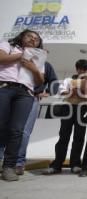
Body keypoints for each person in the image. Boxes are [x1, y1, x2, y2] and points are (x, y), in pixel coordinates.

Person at [0, 29, 44, 181]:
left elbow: (40, 81)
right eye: (29, 36)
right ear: (22, 37)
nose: (33, 40)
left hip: (25, 93)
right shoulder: (8, 45)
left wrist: (34, 69)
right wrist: (23, 55)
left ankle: (9, 167)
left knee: (17, 130)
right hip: (4, 88)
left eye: (36, 39)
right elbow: (1, 58)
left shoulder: (39, 57)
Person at [43, 59, 87, 175]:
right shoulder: (69, 80)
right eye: (81, 69)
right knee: (64, 136)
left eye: (85, 69)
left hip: (83, 109)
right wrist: (76, 92)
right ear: (77, 69)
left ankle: (75, 164)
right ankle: (57, 165)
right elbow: (63, 91)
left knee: (79, 137)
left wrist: (74, 91)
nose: (82, 71)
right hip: (68, 108)